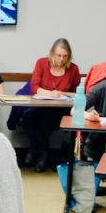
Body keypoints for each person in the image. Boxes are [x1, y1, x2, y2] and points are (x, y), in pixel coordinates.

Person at [16, 38, 81, 171]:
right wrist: (50, 94)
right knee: (28, 119)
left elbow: (76, 92)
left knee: (45, 122)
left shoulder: (73, 69)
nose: (61, 59)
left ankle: (35, 152)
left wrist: (65, 95)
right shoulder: (42, 63)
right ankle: (42, 152)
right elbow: (34, 87)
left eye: (65, 56)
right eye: (58, 55)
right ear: (52, 53)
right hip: (39, 106)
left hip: (60, 110)